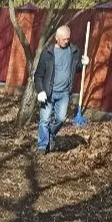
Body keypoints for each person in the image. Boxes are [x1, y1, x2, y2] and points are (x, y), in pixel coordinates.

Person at [33, 25, 89, 154]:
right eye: (64, 39)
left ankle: (50, 135)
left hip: (64, 93)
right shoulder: (47, 53)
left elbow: (77, 68)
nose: (67, 41)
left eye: (68, 39)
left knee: (61, 119)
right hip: (48, 92)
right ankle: (42, 146)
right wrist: (40, 91)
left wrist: (84, 63)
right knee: (44, 120)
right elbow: (38, 75)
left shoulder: (74, 51)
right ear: (56, 38)